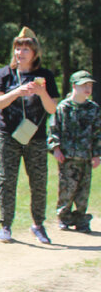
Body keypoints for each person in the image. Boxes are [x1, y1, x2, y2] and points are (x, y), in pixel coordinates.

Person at [0, 26, 59, 244]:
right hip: (8, 136)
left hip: (36, 138)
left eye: (25, 49)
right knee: (7, 181)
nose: (20, 53)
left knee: (38, 183)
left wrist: (41, 93)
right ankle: (6, 226)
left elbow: (52, 109)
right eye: (17, 48)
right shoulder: (5, 73)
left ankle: (38, 225)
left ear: (35, 52)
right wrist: (16, 92)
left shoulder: (45, 76)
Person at [47, 70, 101, 232]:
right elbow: (53, 130)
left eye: (90, 85)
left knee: (83, 191)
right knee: (67, 189)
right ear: (73, 86)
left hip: (85, 157)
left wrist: (97, 154)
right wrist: (55, 148)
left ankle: (81, 219)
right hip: (68, 157)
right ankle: (64, 217)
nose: (87, 88)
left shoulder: (93, 109)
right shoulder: (63, 107)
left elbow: (98, 133)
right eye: (84, 85)